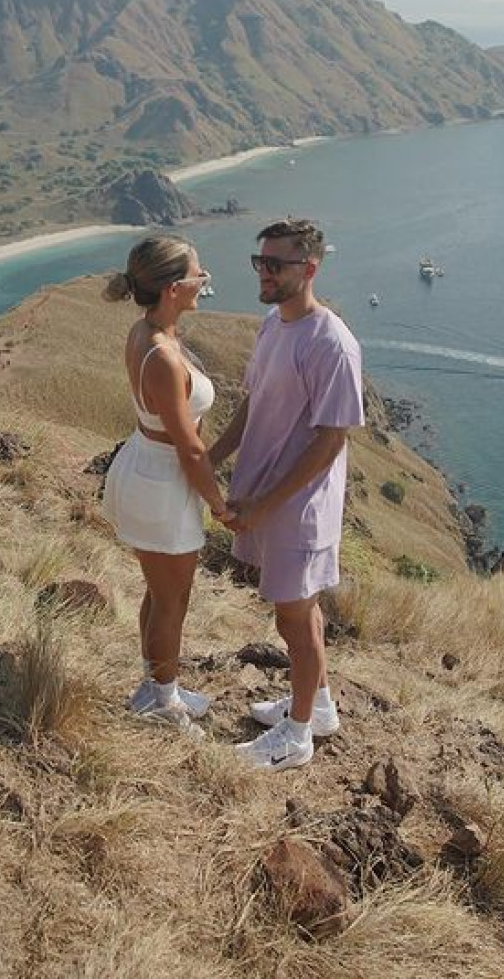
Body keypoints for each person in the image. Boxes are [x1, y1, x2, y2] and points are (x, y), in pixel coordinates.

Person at [212, 218, 364, 770]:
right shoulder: (273, 326)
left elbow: (330, 442)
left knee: (293, 619)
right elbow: (252, 403)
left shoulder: (333, 344)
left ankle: (296, 738)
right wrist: (212, 457)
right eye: (260, 261)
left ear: (311, 268)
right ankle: (317, 706)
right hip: (270, 503)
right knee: (299, 611)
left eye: (276, 264)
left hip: (299, 511)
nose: (264, 273)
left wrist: (265, 505)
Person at [103, 236, 232, 732]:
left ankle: (157, 687)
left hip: (147, 469)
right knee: (172, 599)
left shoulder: (146, 332)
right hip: (162, 483)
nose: (206, 281)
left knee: (160, 593)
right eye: (200, 274)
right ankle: (162, 702)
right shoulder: (163, 356)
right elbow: (191, 448)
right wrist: (218, 504)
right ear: (175, 287)